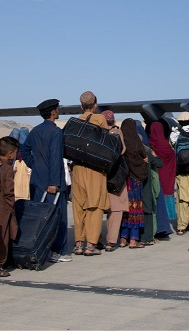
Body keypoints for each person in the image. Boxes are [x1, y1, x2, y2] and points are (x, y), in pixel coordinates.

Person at [20, 99, 69, 262]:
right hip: (51, 182)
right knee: (57, 215)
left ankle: (38, 247)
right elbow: (55, 158)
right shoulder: (56, 132)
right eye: (57, 109)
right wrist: (54, 182)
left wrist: (35, 165)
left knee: (38, 216)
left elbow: (25, 150)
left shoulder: (35, 131)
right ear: (53, 112)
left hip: (37, 180)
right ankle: (57, 251)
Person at [70, 91, 110, 257]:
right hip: (95, 169)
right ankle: (91, 245)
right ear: (95, 105)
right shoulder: (100, 119)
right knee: (95, 205)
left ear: (81, 106)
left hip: (78, 168)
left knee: (79, 206)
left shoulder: (76, 121)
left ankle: (78, 243)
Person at [0, 137, 19, 277]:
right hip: (3, 205)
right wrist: (11, 205)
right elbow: (9, 190)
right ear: (10, 153)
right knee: (3, 236)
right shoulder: (7, 167)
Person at [119, 119, 147, 248]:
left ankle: (123, 239)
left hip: (123, 182)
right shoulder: (136, 141)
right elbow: (144, 157)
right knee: (134, 208)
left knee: (125, 210)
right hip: (135, 181)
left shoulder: (120, 142)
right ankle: (134, 240)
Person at [102, 110, 127, 251]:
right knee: (116, 210)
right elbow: (122, 149)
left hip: (97, 174)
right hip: (114, 175)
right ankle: (111, 241)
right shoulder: (117, 132)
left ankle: (94, 240)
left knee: (95, 210)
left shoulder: (96, 132)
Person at [147, 120, 175, 240]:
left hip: (155, 177)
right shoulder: (166, 145)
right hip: (167, 178)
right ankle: (164, 227)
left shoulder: (149, 144)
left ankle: (156, 227)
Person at [136, 121, 162, 246]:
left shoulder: (126, 149)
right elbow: (159, 163)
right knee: (148, 210)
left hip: (132, 186)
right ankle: (147, 237)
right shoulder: (146, 150)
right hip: (146, 185)